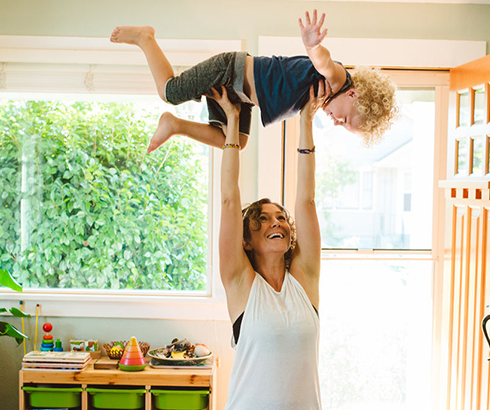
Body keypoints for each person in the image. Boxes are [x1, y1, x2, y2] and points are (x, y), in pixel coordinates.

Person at [111, 10, 398, 153]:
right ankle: (145, 38)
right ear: (354, 95)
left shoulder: (320, 97)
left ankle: (176, 125)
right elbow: (323, 60)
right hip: (230, 71)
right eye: (345, 121)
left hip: (241, 96)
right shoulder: (336, 78)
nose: (336, 123)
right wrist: (312, 46)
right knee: (170, 91)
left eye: (342, 127)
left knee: (235, 142)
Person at [215, 80, 325, 409]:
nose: (275, 222)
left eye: (280, 217)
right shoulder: (240, 283)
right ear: (246, 241)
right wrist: (233, 123)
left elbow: (305, 200)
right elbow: (229, 200)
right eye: (262, 219)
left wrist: (305, 122)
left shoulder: (305, 279)